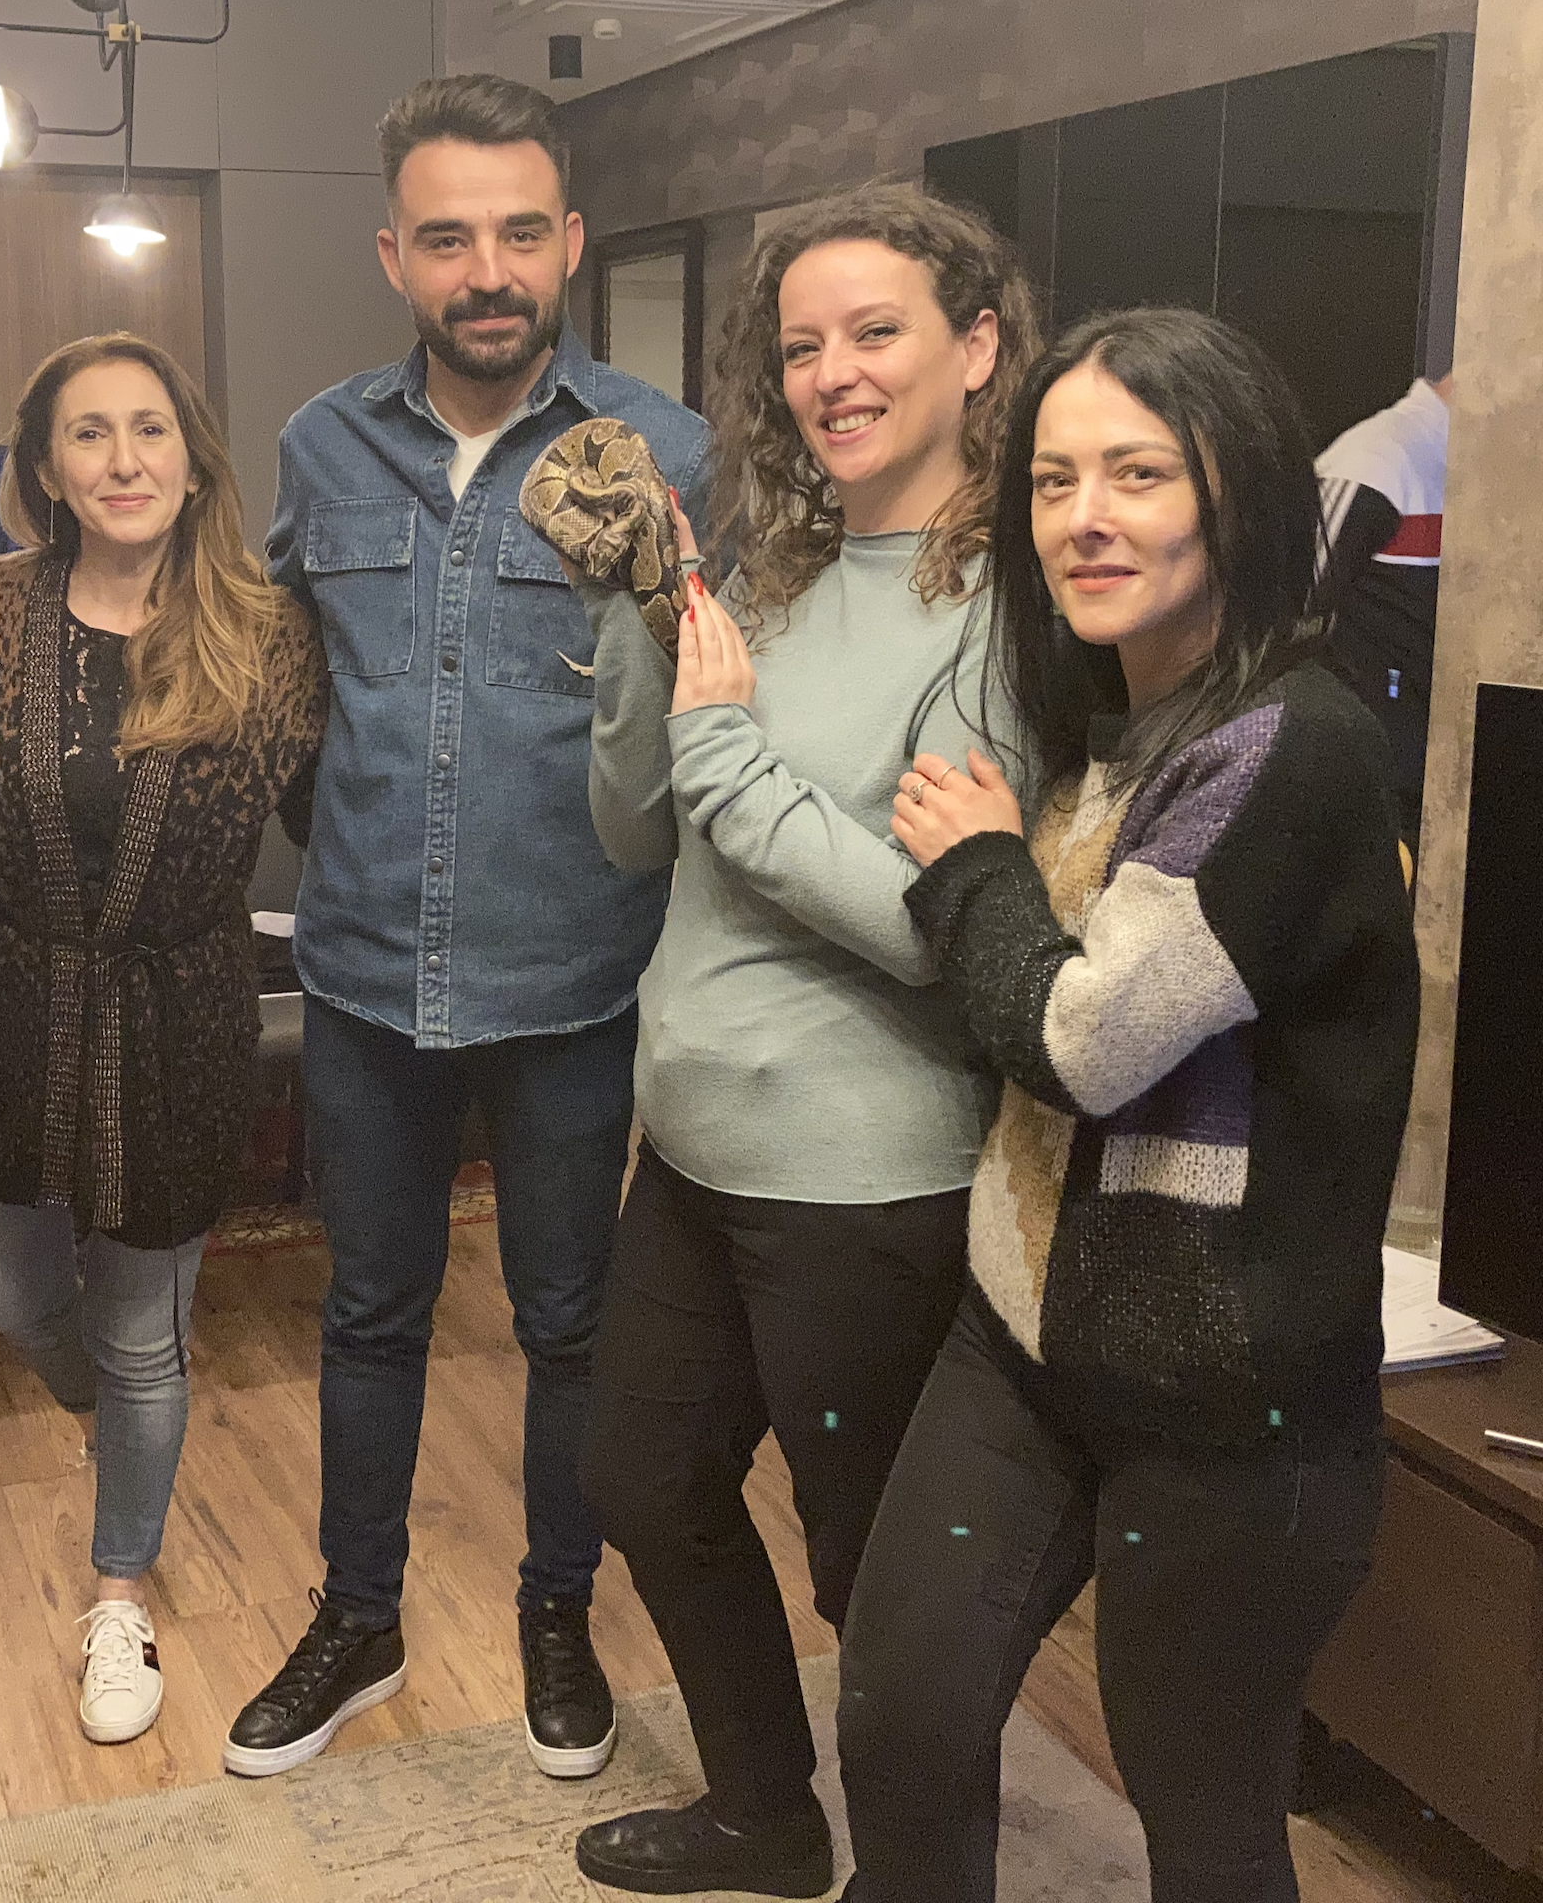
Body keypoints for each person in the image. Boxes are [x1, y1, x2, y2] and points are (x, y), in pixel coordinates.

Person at [838, 306, 1418, 1903]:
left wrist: (976, 867)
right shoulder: (1106, 724)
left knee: (1204, 1820)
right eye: (1052, 480)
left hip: (1230, 1408)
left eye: (1139, 473)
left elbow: (1088, 1040)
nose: (1084, 517)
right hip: (1029, 1341)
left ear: (1240, 492)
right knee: (901, 1716)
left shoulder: (1291, 752)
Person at [220, 73, 710, 1782]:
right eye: (446, 238)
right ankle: (357, 1617)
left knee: (569, 1323)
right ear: (393, 256)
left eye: (515, 232)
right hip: (364, 976)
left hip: (578, 978)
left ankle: (556, 1610)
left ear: (567, 240)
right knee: (370, 1311)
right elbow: (288, 685)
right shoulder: (320, 444)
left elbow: (707, 714)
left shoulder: (668, 453)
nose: (484, 270)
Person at [557, 186, 1041, 1898]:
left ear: (976, 348)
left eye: (874, 332)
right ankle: (767, 1811)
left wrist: (725, 754)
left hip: (864, 1176)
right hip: (693, 1145)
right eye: (801, 346)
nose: (832, 373)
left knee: (878, 1589)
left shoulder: (1002, 614)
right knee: (641, 1477)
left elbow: (935, 924)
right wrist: (641, 622)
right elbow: (636, 828)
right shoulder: (777, 573)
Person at [0, 333, 325, 1745]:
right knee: (4, 1298)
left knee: (146, 1339)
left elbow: (339, 815)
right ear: (45, 467)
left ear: (192, 457)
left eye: (149, 429)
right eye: (88, 433)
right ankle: (119, 1423)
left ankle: (118, 1593)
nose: (122, 459)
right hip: (7, 1011)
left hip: (179, 1019)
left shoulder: (267, 634)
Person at [1314, 372, 1452, 852]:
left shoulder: (1484, 469)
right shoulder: (1374, 462)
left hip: (1437, 783)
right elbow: (1274, 615)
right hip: (1370, 794)